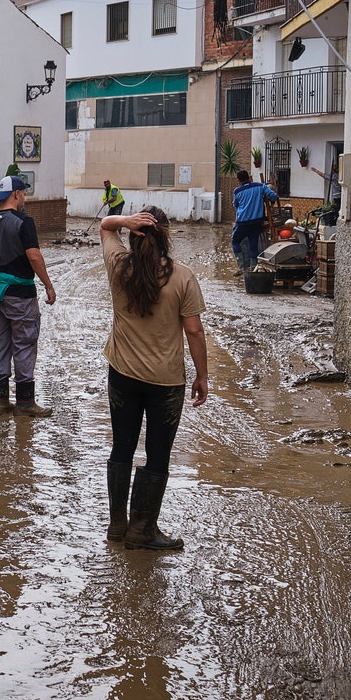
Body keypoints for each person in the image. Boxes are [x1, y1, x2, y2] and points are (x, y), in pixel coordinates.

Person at [99, 207, 207, 550]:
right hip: (166, 381)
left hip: (123, 374)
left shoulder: (119, 266)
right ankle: (142, 530)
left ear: (133, 235)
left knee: (122, 445)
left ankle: (117, 526)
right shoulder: (183, 276)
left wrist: (124, 221)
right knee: (157, 454)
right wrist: (202, 376)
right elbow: (194, 331)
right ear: (166, 235)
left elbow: (104, 226)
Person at [0, 175, 57, 417]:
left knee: (0, 344)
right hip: (20, 295)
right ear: (16, 194)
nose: (25, 197)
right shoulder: (24, 222)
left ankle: (1, 401)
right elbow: (33, 256)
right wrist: (48, 285)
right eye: (23, 192)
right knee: (24, 343)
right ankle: (25, 403)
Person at [231, 170, 279, 273]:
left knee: (235, 241)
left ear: (238, 180)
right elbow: (273, 196)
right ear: (248, 177)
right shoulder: (260, 186)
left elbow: (235, 205)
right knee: (253, 245)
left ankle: (242, 267)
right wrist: (272, 202)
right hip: (257, 222)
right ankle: (253, 268)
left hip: (243, 222)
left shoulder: (237, 191)